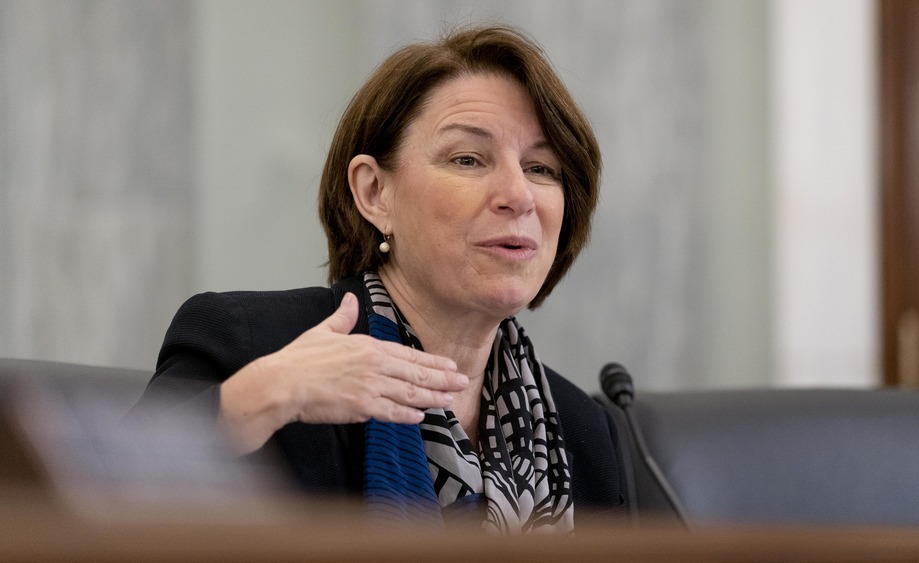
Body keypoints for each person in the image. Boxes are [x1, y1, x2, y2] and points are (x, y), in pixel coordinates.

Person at [131, 24, 624, 533]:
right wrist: (267, 396)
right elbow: (88, 501)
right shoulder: (252, 345)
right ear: (374, 193)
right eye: (468, 159)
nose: (518, 195)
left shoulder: (582, 431)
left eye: (541, 168)